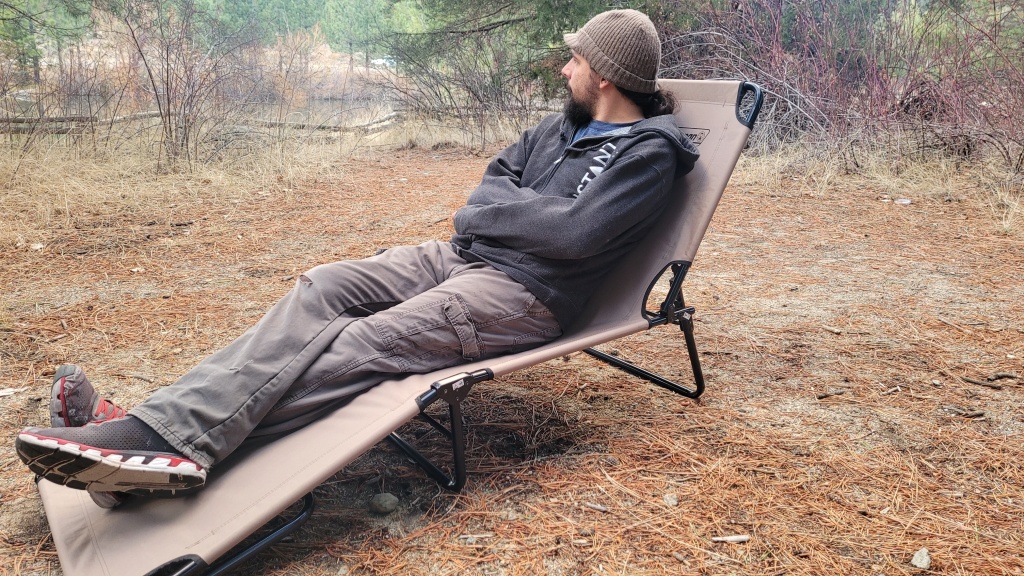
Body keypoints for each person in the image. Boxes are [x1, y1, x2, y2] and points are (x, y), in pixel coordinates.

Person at [15, 9, 699, 506]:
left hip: (524, 295)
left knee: (363, 340)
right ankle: (153, 442)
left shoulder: (649, 153)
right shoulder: (561, 125)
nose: (564, 68)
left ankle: (153, 444)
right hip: (459, 258)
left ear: (604, 74)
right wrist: (511, 217)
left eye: (574, 59)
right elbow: (485, 194)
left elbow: (575, 236)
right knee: (326, 287)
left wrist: (504, 218)